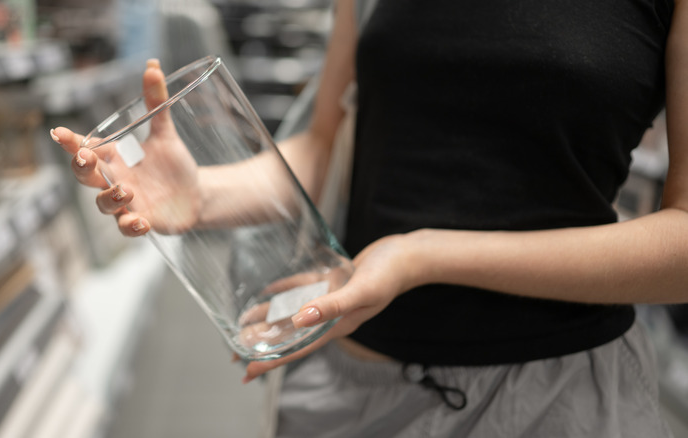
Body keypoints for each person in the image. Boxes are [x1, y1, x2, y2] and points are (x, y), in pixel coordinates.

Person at [52, 0, 687, 436]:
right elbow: (324, 144)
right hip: (352, 388)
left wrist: (422, 256)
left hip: (559, 397)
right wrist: (201, 194)